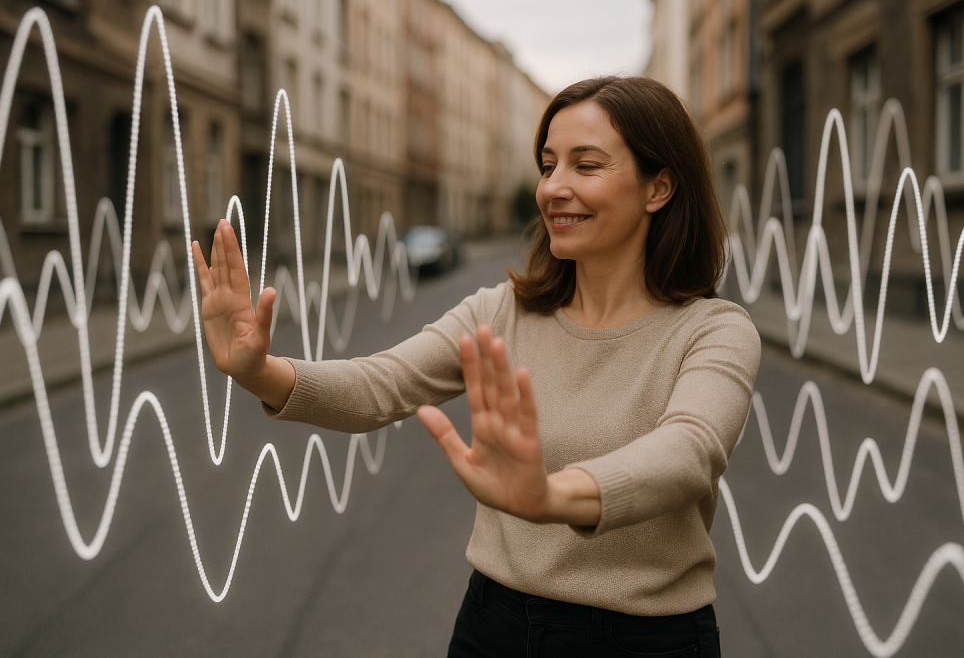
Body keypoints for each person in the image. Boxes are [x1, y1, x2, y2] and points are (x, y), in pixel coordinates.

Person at [192, 76, 760, 657]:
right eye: (547, 165)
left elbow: (691, 450)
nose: (554, 188)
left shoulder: (714, 330)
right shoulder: (502, 312)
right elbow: (378, 384)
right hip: (497, 627)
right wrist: (257, 370)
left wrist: (553, 496)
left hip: (648, 641)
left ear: (658, 187)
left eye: (585, 166)